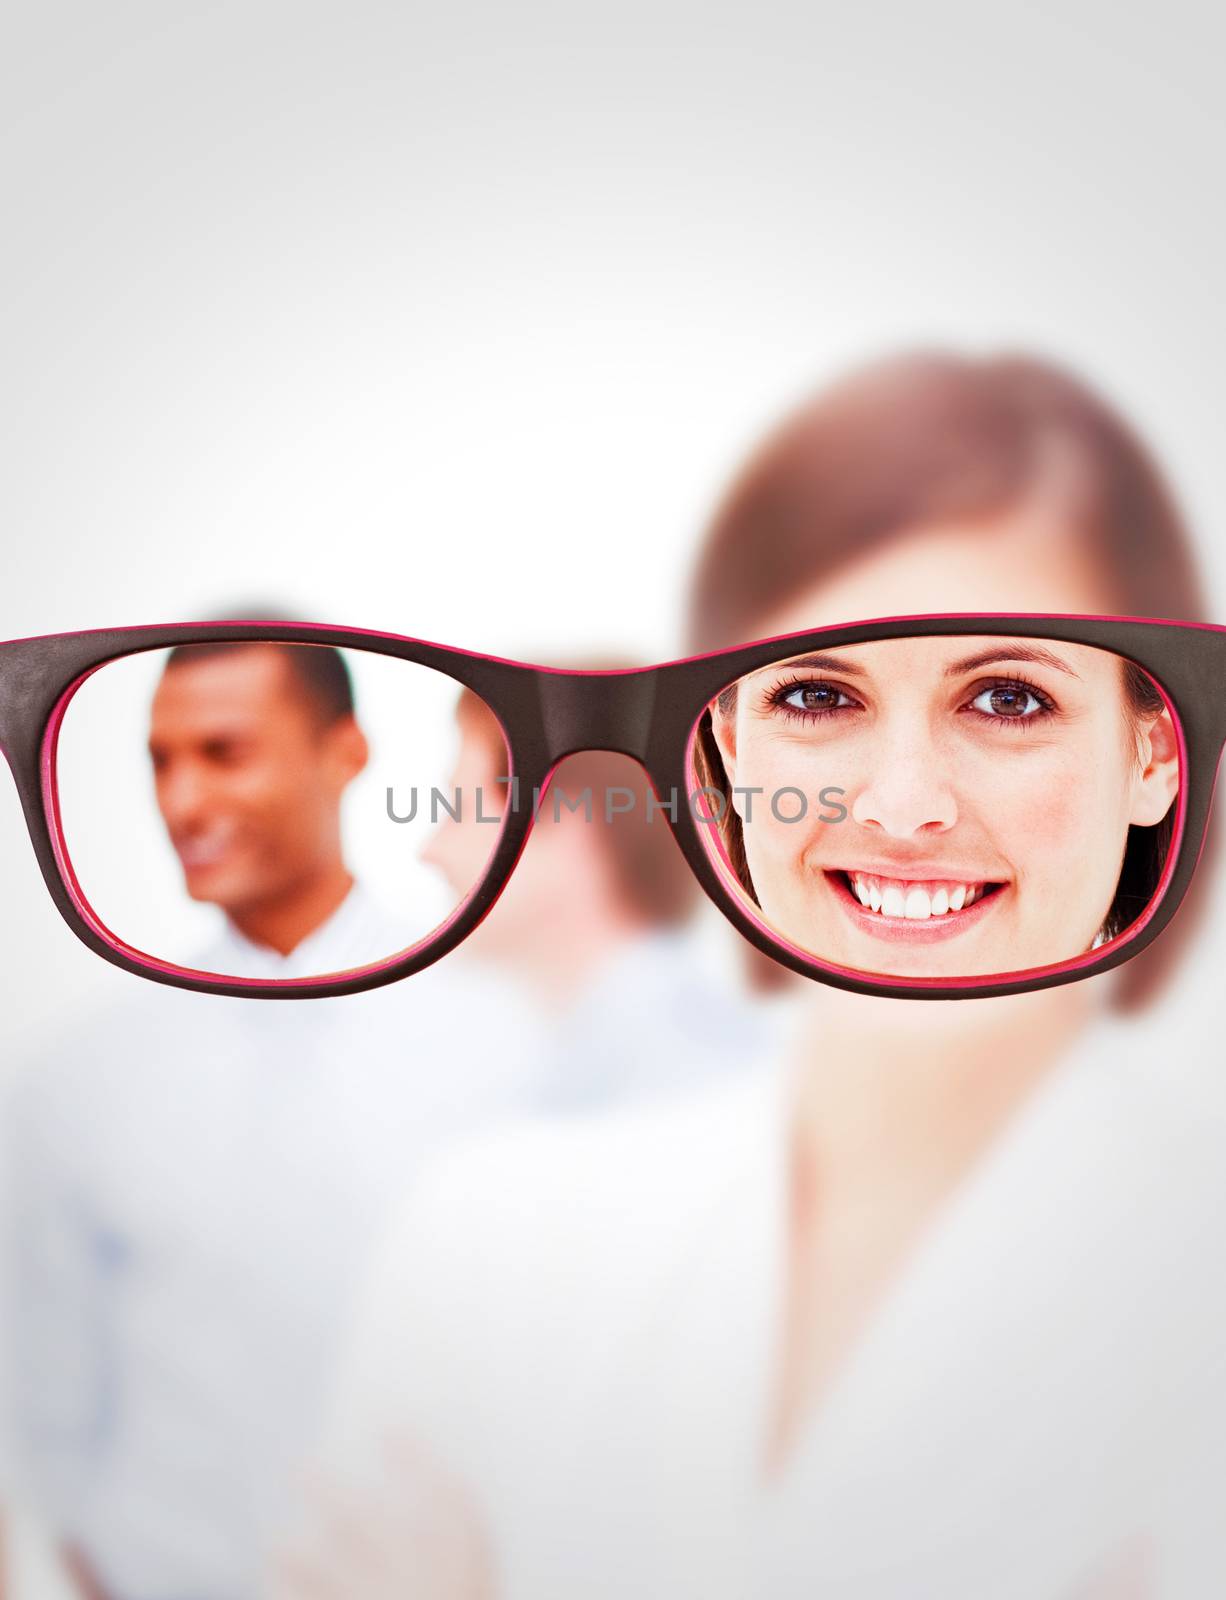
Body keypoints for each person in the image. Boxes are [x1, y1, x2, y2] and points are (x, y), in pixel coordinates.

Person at [276, 350, 1226, 1600]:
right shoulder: (485, 1247)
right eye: (817, 695)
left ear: (1155, 745)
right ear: (718, 742)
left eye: (1003, 697)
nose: (901, 808)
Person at [0, 615, 546, 1600]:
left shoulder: (507, 1039)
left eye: (224, 752)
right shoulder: (79, 1080)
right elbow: (48, 1409)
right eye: (159, 761)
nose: (182, 798)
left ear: (345, 753)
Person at [420, 674, 795, 1111]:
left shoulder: (685, 1073)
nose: (431, 851)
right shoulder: (575, 1058)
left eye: (459, 809)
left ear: (571, 824)